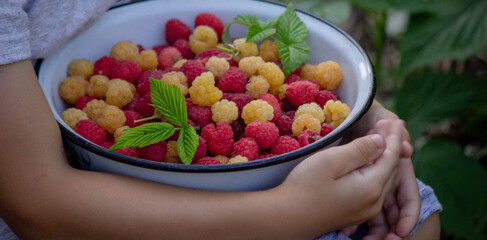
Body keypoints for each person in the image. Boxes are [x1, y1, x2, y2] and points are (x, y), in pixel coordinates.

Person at [0, 1, 441, 239]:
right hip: (94, 205)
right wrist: (287, 215)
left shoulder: (225, 82)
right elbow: (35, 207)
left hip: (283, 177)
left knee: (420, 222)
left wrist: (361, 122)